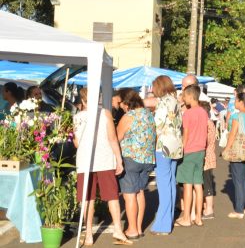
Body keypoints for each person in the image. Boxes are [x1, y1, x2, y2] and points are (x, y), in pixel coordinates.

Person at [73, 88, 131, 246]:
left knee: (87, 197)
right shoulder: (105, 113)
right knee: (112, 195)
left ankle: (89, 233)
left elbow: (77, 143)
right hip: (104, 158)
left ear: (83, 101)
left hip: (85, 160)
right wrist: (119, 160)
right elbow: (112, 138)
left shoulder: (77, 117)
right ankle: (118, 230)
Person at [116, 89, 156, 239]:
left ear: (127, 103)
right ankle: (138, 228)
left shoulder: (129, 116)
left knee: (129, 194)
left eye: (121, 103)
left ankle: (132, 229)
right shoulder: (149, 114)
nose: (120, 106)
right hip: (147, 158)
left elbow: (116, 138)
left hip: (131, 158)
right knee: (140, 192)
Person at [149, 75, 183, 235]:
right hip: (175, 145)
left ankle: (162, 224)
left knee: (163, 185)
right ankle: (167, 221)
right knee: (170, 183)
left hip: (163, 146)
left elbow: (156, 125)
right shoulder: (175, 101)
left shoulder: (162, 102)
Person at [175, 85, 208, 227]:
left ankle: (186, 218)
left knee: (187, 185)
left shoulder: (188, 113)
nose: (183, 98)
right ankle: (198, 217)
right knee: (198, 184)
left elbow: (186, 134)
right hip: (201, 150)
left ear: (189, 96)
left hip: (189, 151)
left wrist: (181, 148)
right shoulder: (203, 112)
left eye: (184, 95)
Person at [223, 92, 245, 219]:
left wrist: (226, 149)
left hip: (239, 150)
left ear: (240, 102)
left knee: (237, 180)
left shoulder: (236, 116)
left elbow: (232, 134)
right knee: (244, 178)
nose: (234, 103)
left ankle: (239, 210)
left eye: (236, 101)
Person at [200, 101, 217, 220]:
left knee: (206, 184)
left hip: (206, 157)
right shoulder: (210, 122)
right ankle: (207, 207)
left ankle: (209, 209)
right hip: (209, 156)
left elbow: (204, 141)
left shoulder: (206, 124)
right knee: (207, 182)